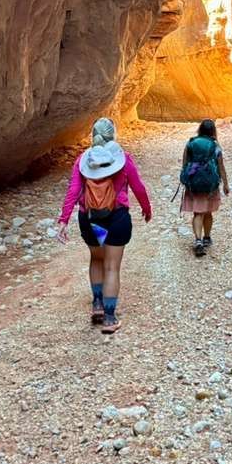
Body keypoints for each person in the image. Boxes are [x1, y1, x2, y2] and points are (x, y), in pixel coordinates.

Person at [57, 117, 151, 334]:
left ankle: (97, 305)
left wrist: (63, 220)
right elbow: (138, 187)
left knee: (97, 258)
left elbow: (73, 190)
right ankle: (109, 319)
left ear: (93, 135)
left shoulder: (83, 160)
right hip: (116, 219)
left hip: (90, 220)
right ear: (113, 135)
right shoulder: (123, 159)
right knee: (112, 266)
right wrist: (146, 209)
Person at [181, 119, 229, 257]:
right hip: (210, 184)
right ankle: (207, 238)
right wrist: (225, 184)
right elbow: (221, 166)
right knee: (208, 212)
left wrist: (185, 179)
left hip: (194, 183)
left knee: (198, 213)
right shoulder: (215, 145)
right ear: (213, 131)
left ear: (200, 129)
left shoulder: (190, 143)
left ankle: (198, 240)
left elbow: (185, 163)